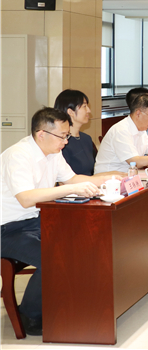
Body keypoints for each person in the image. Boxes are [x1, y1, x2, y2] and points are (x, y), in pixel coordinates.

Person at [1, 108, 114, 336]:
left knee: (81, 242)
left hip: (34, 221)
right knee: (54, 257)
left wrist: (107, 179)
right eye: (62, 136)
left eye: (67, 135)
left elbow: (72, 179)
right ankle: (29, 315)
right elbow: (26, 198)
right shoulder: (18, 155)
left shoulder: (53, 152)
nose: (66, 141)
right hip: (7, 229)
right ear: (42, 134)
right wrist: (71, 189)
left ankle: (70, 303)